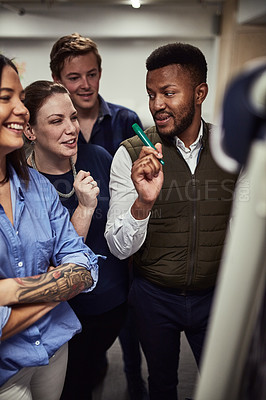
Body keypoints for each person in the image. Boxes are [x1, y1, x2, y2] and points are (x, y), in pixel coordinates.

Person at [105, 42, 239, 400]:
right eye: (151, 94)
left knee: (222, 384)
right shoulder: (130, 153)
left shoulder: (230, 149)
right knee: (163, 385)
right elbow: (119, 248)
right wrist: (143, 203)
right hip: (154, 297)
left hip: (216, 297)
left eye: (168, 93)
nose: (156, 104)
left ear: (200, 93)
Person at [49, 32, 148, 399]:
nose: (86, 85)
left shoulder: (125, 120)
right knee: (79, 364)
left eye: (92, 74)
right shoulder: (44, 137)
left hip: (120, 260)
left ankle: (134, 383)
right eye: (74, 78)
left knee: (129, 331)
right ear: (58, 80)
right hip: (75, 264)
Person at [0, 54, 99, 400]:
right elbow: (70, 274)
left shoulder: (34, 186)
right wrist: (56, 286)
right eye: (5, 98)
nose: (20, 108)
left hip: (54, 347)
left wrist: (10, 292)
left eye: (19, 97)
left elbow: (84, 267)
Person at [23, 80, 130, 400]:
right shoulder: (25, 185)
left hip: (111, 305)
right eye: (56, 121)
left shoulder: (97, 156)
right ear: (30, 131)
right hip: (62, 314)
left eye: (72, 117)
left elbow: (122, 225)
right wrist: (84, 208)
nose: (71, 128)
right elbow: (54, 264)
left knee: (92, 374)